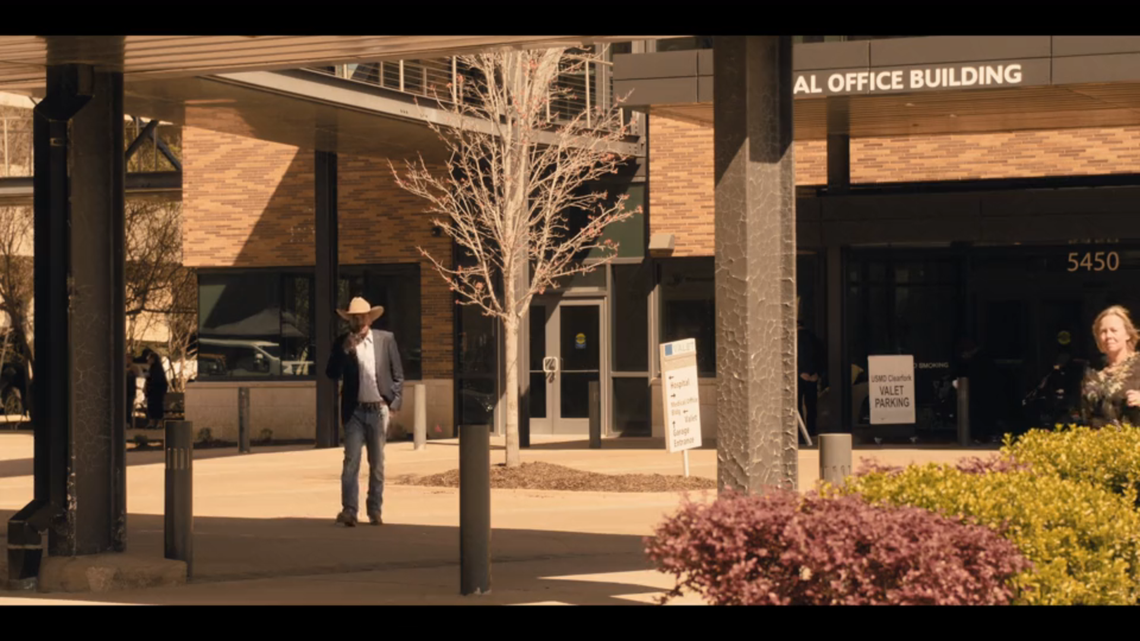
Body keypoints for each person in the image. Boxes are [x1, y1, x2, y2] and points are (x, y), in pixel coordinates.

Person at [325, 297, 404, 527]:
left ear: (370, 317)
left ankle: (375, 510)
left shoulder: (385, 340)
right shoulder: (342, 343)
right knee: (351, 461)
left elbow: (398, 374)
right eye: (354, 317)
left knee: (377, 463)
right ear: (349, 320)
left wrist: (395, 403)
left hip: (379, 409)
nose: (359, 321)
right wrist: (344, 351)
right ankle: (350, 510)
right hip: (355, 412)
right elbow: (331, 373)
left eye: (362, 316)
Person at [1080, 305, 1140, 428]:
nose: (1108, 336)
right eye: (1103, 331)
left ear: (1127, 334)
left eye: (1114, 330)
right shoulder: (1092, 370)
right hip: (1096, 444)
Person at [797, 307, 824, 438]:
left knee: (797, 405)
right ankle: (811, 430)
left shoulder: (794, 340)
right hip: (812, 375)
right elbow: (821, 356)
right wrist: (817, 374)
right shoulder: (814, 338)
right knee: (811, 405)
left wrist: (800, 372)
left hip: (800, 376)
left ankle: (800, 433)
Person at [142, 349, 168, 429]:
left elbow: (159, 380)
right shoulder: (151, 369)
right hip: (151, 391)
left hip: (157, 391)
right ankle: (152, 422)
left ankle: (159, 422)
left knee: (158, 406)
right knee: (151, 407)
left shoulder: (158, 370)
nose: (148, 360)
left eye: (150, 359)